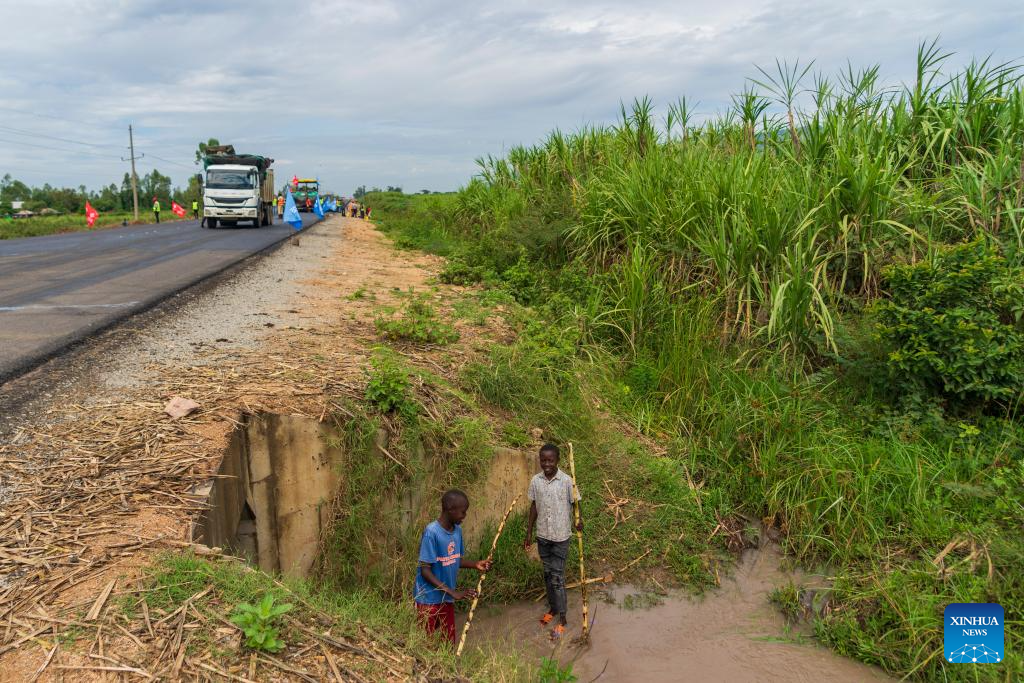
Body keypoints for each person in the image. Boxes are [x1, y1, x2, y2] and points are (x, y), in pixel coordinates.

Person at [414, 489, 492, 646]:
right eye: (463, 512)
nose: (465, 516)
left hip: (446, 599)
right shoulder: (431, 533)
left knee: (448, 640)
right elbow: (425, 571)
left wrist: (475, 564)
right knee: (424, 641)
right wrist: (453, 592)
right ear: (450, 509)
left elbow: (454, 560)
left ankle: (446, 669)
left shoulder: (457, 531)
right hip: (428, 599)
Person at [524, 443, 581, 640]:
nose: (546, 464)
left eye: (550, 460)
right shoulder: (536, 481)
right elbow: (534, 506)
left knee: (558, 577)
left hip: (560, 538)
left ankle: (563, 620)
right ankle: (553, 608)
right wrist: (529, 532)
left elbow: (576, 505)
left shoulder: (567, 481)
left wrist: (578, 522)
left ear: (557, 461)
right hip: (543, 537)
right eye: (543, 460)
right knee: (548, 575)